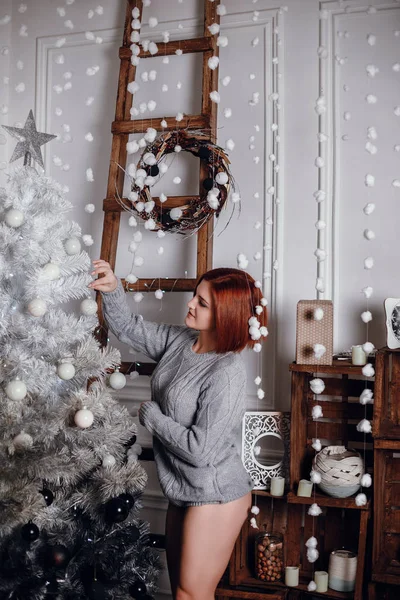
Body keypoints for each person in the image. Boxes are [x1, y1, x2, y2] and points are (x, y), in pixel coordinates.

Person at [88, 259, 268, 600]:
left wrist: (153, 417)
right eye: (195, 296)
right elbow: (127, 327)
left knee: (192, 594)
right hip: (182, 488)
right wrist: (113, 289)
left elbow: (201, 451)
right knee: (181, 593)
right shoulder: (182, 340)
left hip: (215, 492)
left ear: (225, 316)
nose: (190, 304)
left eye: (202, 303)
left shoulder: (227, 372)